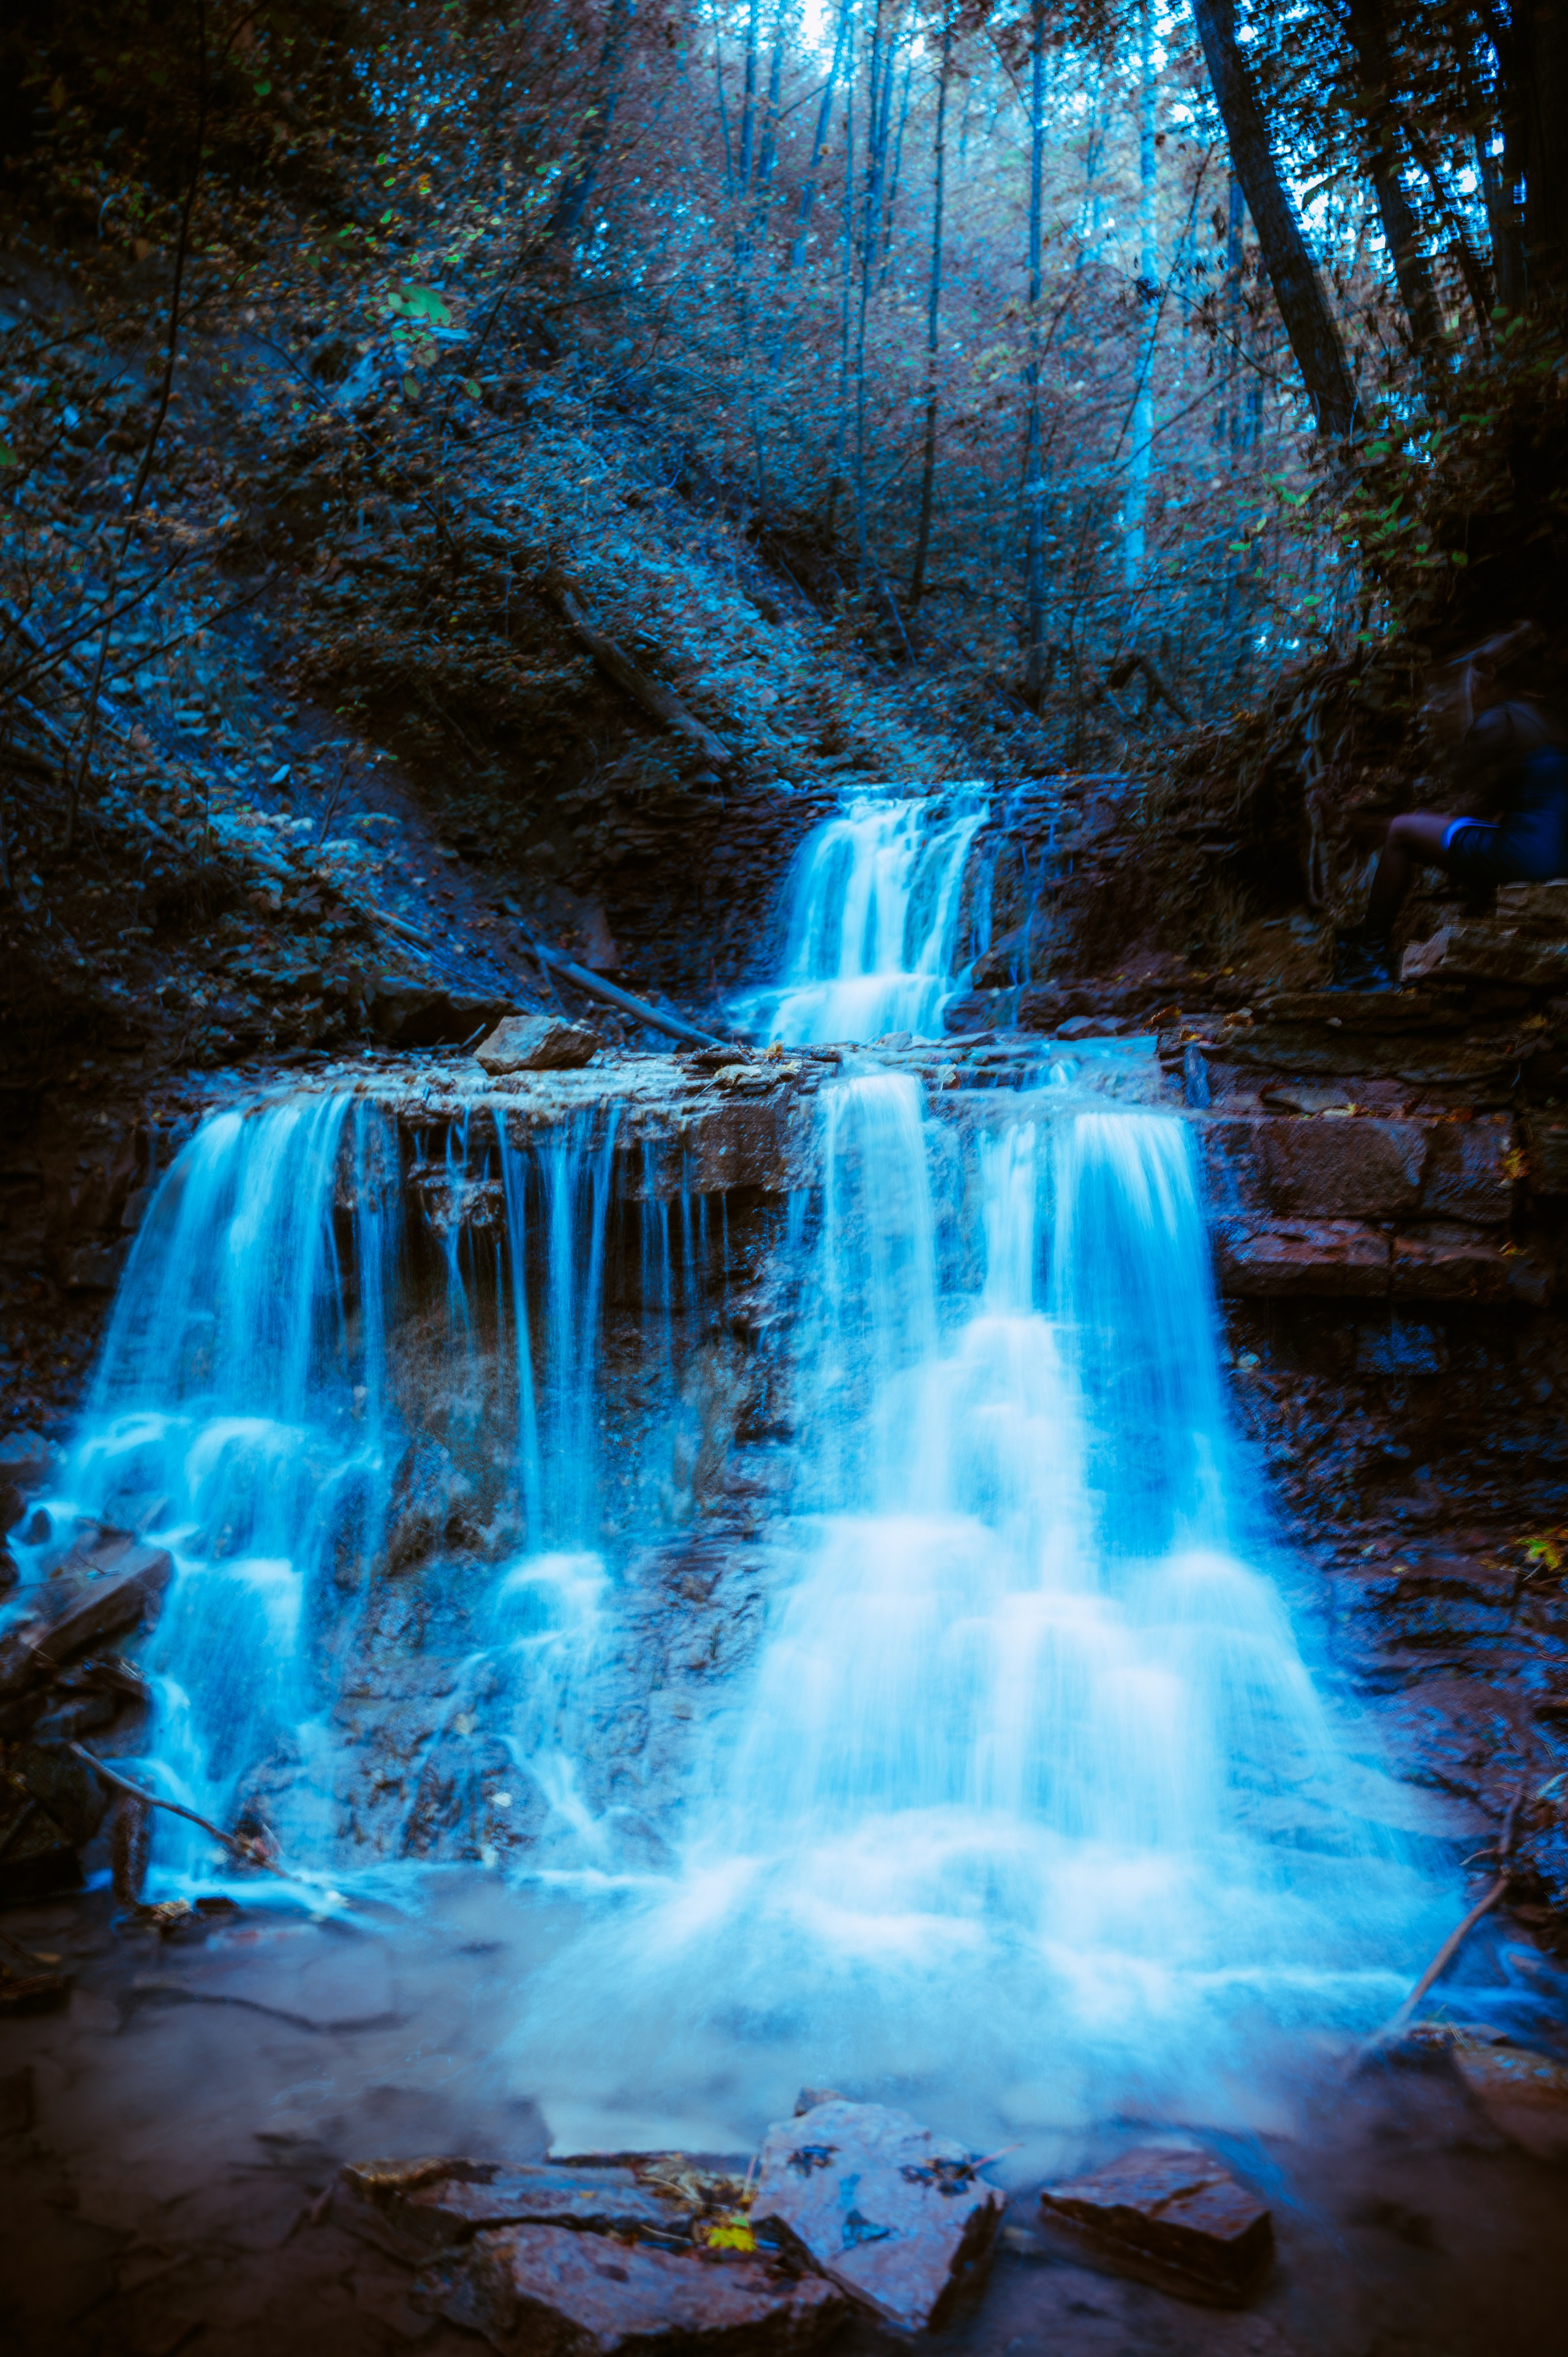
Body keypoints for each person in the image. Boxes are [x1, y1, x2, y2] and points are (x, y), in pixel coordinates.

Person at [1331, 624, 1568, 990]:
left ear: (1488, 676)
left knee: (1401, 832)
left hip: (1529, 857)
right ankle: (1475, 919)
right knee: (1470, 828)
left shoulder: (1500, 718)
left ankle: (1369, 960)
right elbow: (1492, 802)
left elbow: (1461, 778)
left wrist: (1474, 704)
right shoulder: (1551, 719)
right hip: (1559, 857)